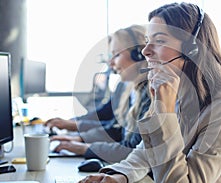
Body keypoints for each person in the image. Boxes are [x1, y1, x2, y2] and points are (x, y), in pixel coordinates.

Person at [75, 2, 221, 183]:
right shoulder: (177, 97)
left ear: (192, 50)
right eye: (147, 41)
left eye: (159, 41)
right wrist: (121, 175)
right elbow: (145, 152)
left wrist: (164, 114)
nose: (145, 51)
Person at [50, 24, 151, 163]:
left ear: (138, 55)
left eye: (116, 54)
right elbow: (116, 129)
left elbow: (132, 149)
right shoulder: (131, 89)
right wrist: (80, 138)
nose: (111, 63)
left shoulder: (151, 95)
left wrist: (84, 147)